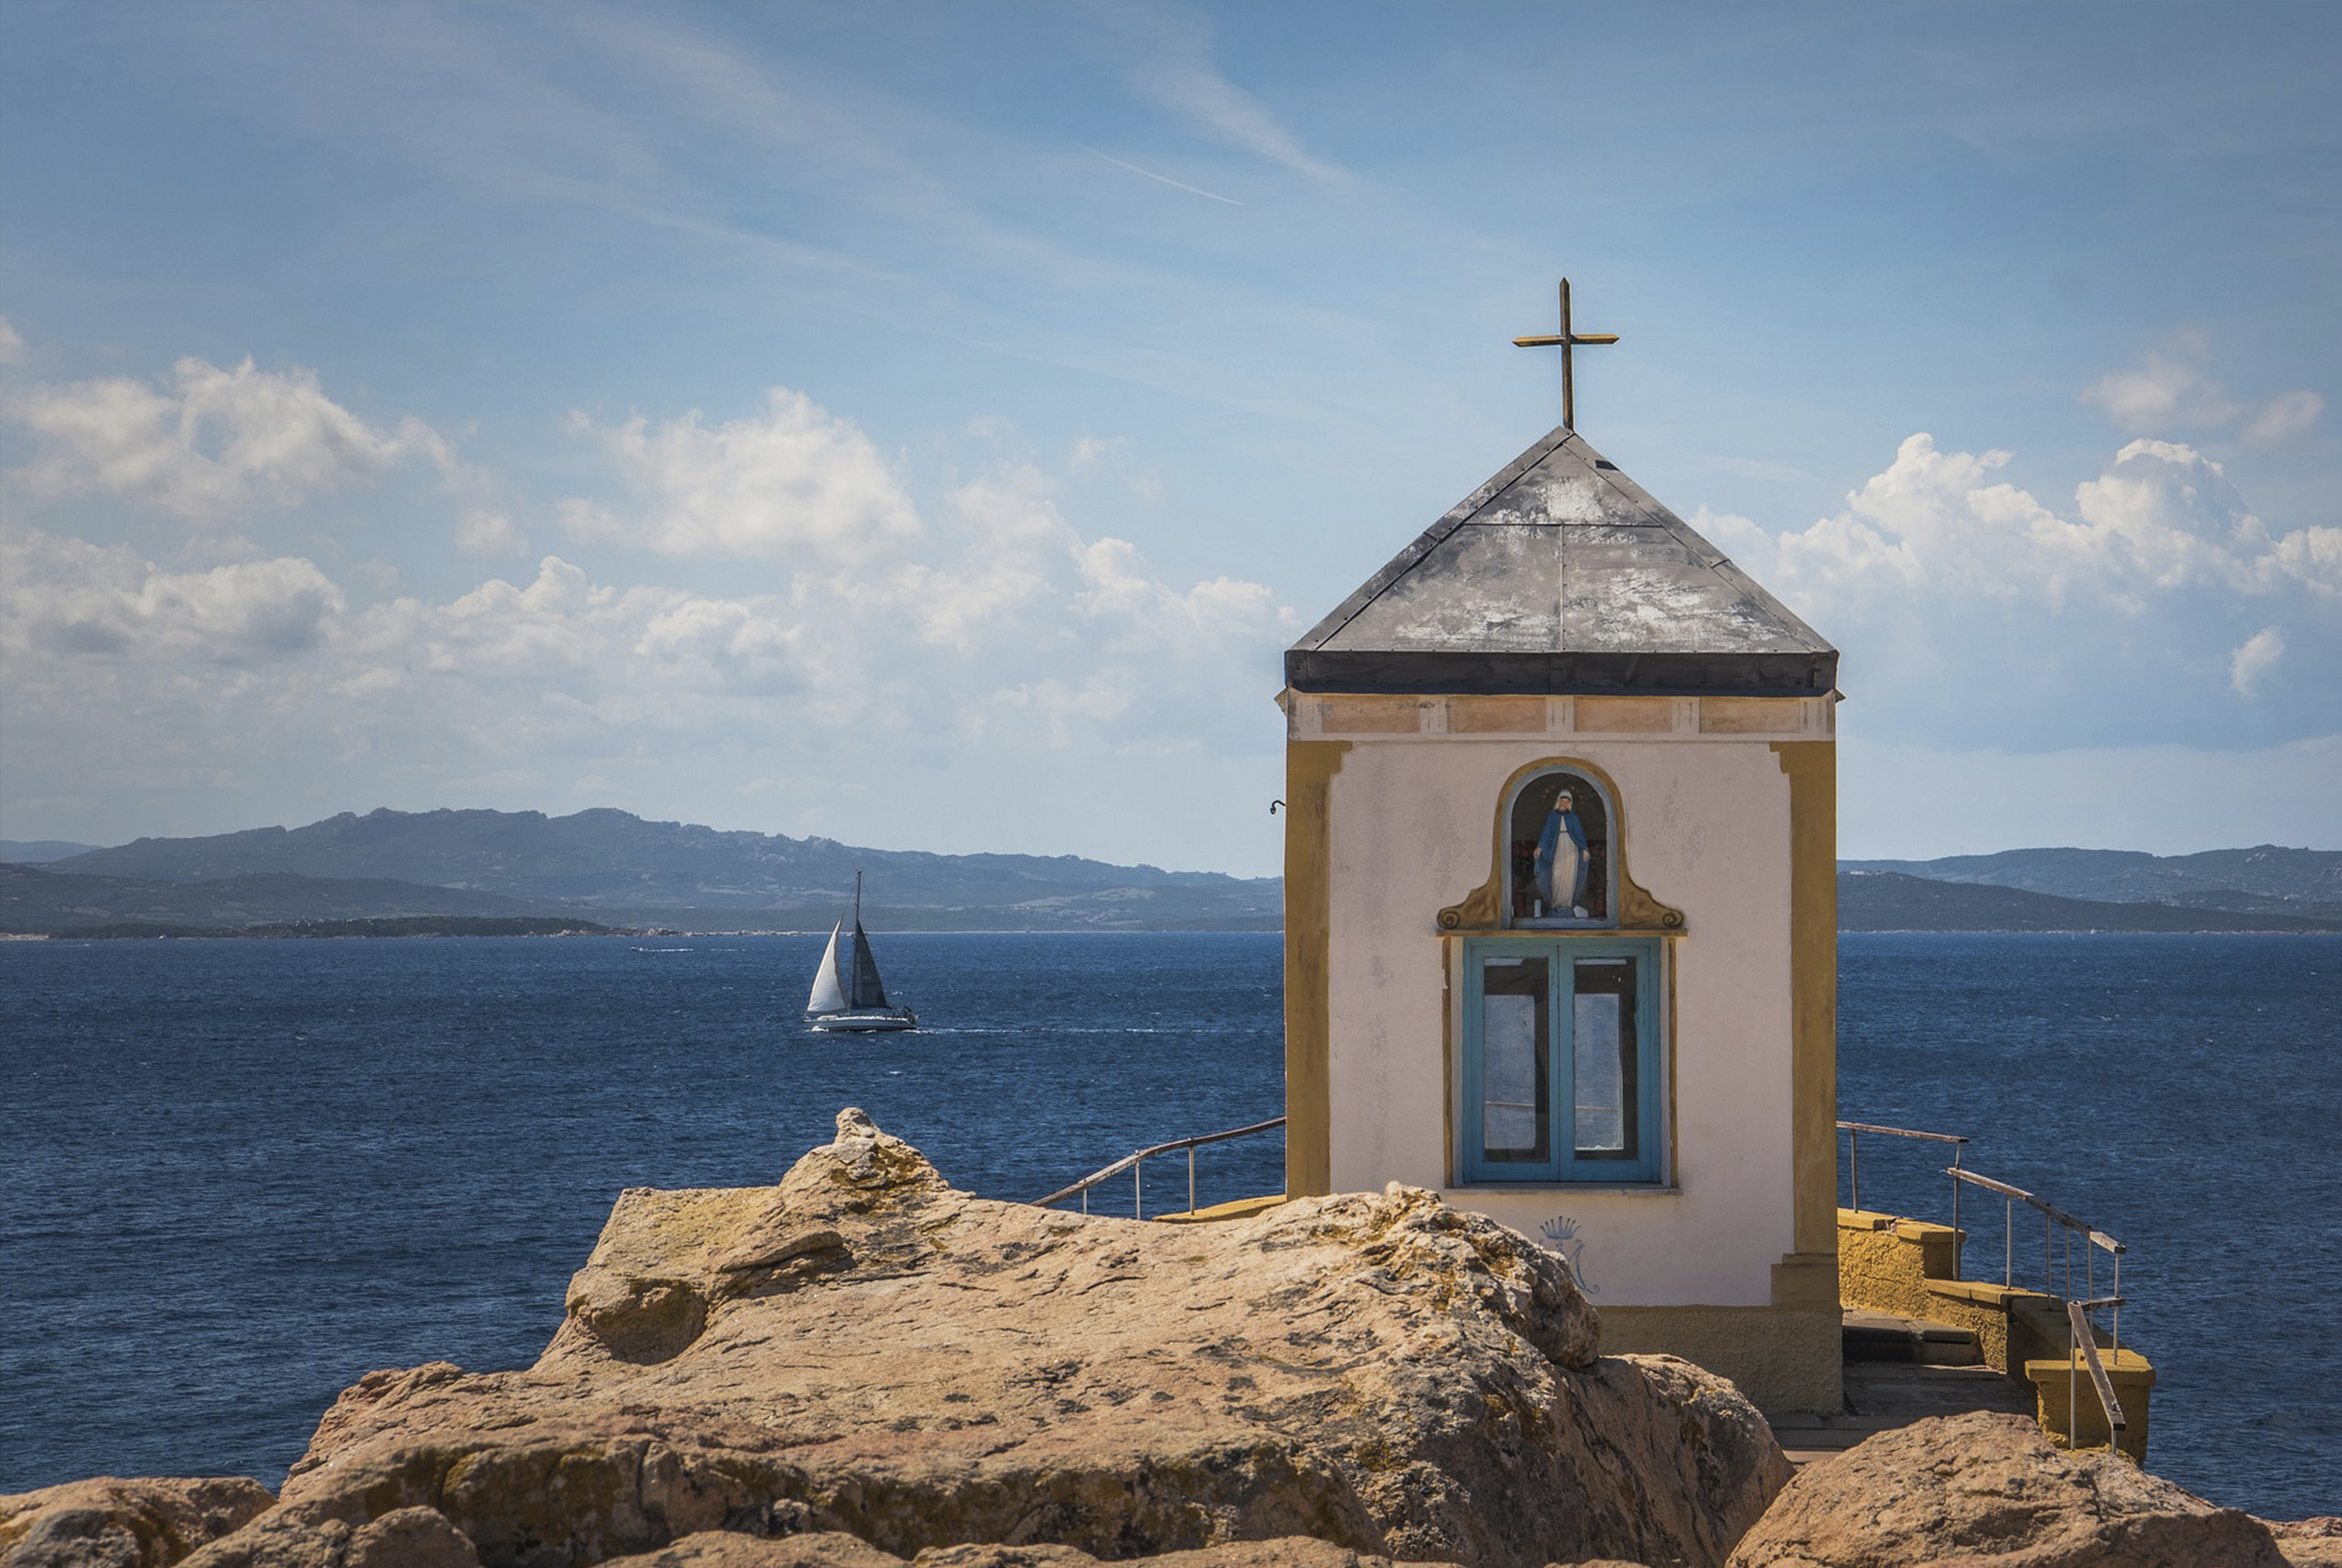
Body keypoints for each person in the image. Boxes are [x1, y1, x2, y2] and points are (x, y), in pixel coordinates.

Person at [1534, 789, 1591, 918]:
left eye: (1566, 802)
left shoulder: (1573, 817)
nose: (1564, 804)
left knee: (1569, 875)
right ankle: (1555, 902)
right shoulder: (1552, 816)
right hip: (1557, 847)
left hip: (1571, 848)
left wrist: (1585, 849)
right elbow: (1546, 834)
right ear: (1558, 801)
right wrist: (1540, 847)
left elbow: (1579, 835)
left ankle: (1567, 902)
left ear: (1570, 804)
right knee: (1556, 874)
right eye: (1562, 801)